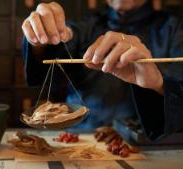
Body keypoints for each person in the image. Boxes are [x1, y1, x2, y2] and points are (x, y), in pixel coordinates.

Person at [21, 0, 183, 141]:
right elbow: (44, 70)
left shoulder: (174, 28)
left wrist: (158, 83)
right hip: (83, 136)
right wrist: (41, 38)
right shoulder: (84, 25)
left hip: (147, 142)